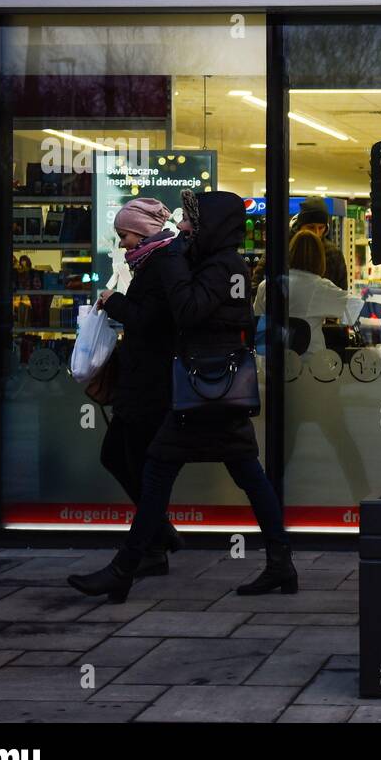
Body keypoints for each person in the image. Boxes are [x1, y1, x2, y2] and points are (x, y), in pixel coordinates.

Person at [69, 189, 296, 603]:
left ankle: (127, 567)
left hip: (206, 390)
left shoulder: (223, 267)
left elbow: (189, 311)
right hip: (211, 391)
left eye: (193, 222)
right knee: (241, 474)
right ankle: (280, 562)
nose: (185, 229)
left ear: (214, 227)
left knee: (167, 473)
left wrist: (172, 262)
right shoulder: (216, 264)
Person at [95, 197, 185, 576]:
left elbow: (151, 321)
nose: (122, 244)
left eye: (124, 235)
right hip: (144, 383)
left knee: (131, 460)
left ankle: (153, 545)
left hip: (151, 386)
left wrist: (114, 302)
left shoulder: (161, 264)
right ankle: (159, 537)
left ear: (144, 230)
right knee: (124, 457)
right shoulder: (153, 261)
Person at [254, 230, 351, 357]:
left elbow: (256, 324)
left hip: (271, 366)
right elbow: (355, 310)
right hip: (309, 367)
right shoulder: (319, 287)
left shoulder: (266, 285)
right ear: (320, 258)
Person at [291, 196, 347, 290]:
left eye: (321, 228)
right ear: (300, 226)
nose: (316, 233)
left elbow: (342, 290)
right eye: (311, 227)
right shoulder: (284, 246)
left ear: (326, 228)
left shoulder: (334, 254)